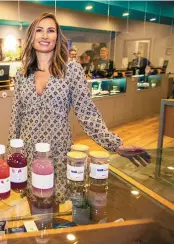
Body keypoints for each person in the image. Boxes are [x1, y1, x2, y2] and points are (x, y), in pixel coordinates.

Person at [9, 12, 150, 203]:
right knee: (34, 204)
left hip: (56, 152)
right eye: (39, 30)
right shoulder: (22, 74)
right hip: (28, 151)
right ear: (31, 36)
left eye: (50, 31)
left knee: (51, 205)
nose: (44, 36)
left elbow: (87, 112)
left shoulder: (71, 69)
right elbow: (16, 115)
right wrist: (12, 152)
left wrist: (115, 144)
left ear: (57, 37)